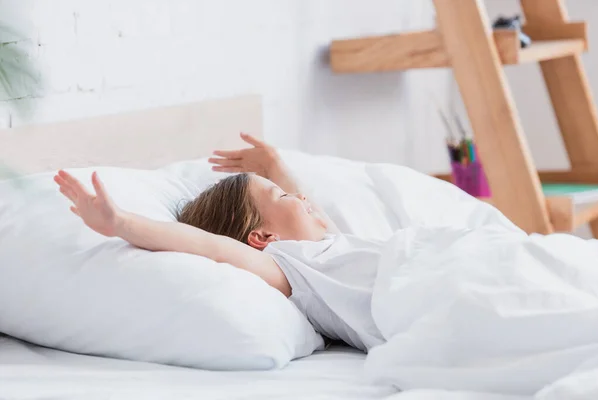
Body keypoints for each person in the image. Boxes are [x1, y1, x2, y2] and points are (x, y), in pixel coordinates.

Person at [54, 133, 387, 351]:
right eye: (284, 195)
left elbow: (311, 210)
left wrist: (274, 166)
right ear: (262, 238)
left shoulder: (330, 245)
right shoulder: (291, 269)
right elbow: (209, 246)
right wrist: (121, 222)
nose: (300, 195)